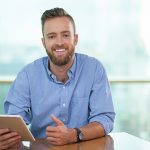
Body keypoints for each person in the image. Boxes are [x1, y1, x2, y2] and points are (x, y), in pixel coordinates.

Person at [0, 7, 115, 149]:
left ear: (76, 39)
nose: (59, 42)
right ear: (44, 42)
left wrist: (74, 134)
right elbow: (14, 121)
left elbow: (104, 119)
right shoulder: (27, 75)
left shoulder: (94, 69)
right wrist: (6, 137)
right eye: (52, 36)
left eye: (65, 35)